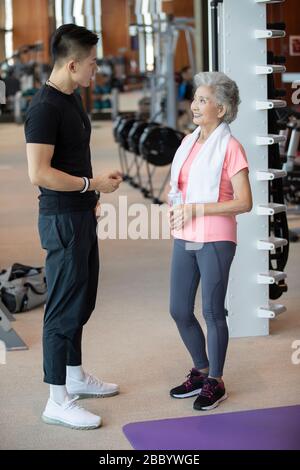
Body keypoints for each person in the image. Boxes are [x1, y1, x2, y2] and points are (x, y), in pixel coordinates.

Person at [25, 24, 123, 430]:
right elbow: (39, 173)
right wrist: (90, 185)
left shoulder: (73, 98)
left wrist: (93, 192)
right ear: (72, 64)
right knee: (63, 310)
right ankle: (57, 399)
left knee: (82, 301)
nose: (96, 71)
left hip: (81, 211)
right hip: (61, 218)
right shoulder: (44, 108)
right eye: (93, 64)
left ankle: (75, 376)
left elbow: (72, 160)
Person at [168, 71, 252, 411]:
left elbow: (244, 202)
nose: (195, 105)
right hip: (185, 235)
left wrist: (197, 209)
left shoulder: (231, 147)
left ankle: (215, 381)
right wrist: (178, 209)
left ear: (222, 108)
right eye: (196, 99)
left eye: (203, 100)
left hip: (216, 236)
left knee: (213, 311)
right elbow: (181, 187)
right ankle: (200, 370)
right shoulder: (189, 142)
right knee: (178, 310)